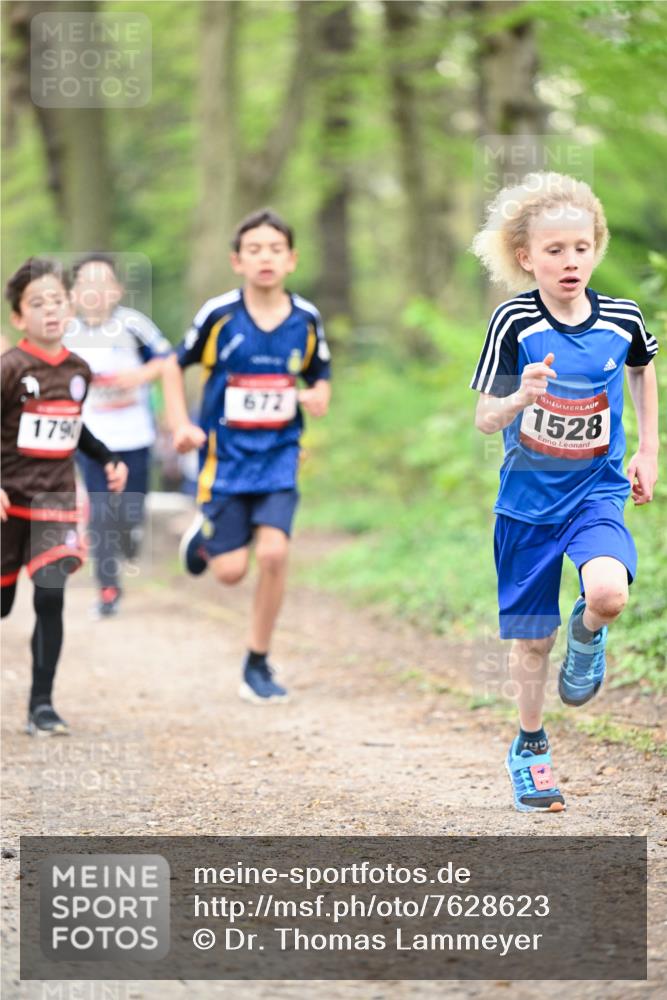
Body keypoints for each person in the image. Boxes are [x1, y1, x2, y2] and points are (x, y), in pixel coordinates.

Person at [470, 173, 659, 812]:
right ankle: (530, 747)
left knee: (607, 591)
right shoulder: (515, 322)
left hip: (594, 494)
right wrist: (521, 396)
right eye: (554, 250)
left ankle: (589, 633)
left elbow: (642, 368)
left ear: (595, 249)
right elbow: (485, 418)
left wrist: (648, 448)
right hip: (525, 506)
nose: (570, 261)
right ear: (526, 257)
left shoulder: (622, 317)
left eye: (581, 247)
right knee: (531, 643)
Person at [163, 209, 331, 703]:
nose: (265, 258)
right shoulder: (219, 315)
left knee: (276, 554)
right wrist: (180, 425)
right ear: (237, 260)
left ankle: (257, 661)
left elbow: (319, 375)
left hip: (280, 455)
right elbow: (173, 365)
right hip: (225, 460)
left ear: (291, 259)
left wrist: (320, 395)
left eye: (275, 249)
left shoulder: (306, 318)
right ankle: (204, 543)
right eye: (254, 249)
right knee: (231, 572)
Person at [1, 258, 128, 734]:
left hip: (54, 500)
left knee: (50, 594)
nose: (50, 310)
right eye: (38, 303)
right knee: (3, 604)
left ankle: (42, 705)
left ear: (70, 306)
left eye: (57, 300)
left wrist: (107, 456)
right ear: (19, 317)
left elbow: (71, 426)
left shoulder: (79, 369)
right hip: (7, 504)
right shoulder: (9, 369)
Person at [65, 253, 171, 617]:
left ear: (117, 290)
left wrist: (138, 377)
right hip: (91, 438)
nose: (95, 291)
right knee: (99, 512)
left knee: (130, 511)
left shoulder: (134, 325)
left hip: (135, 435)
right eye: (86, 284)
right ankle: (108, 588)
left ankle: (130, 537)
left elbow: (165, 359)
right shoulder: (65, 332)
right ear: (74, 293)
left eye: (103, 283)